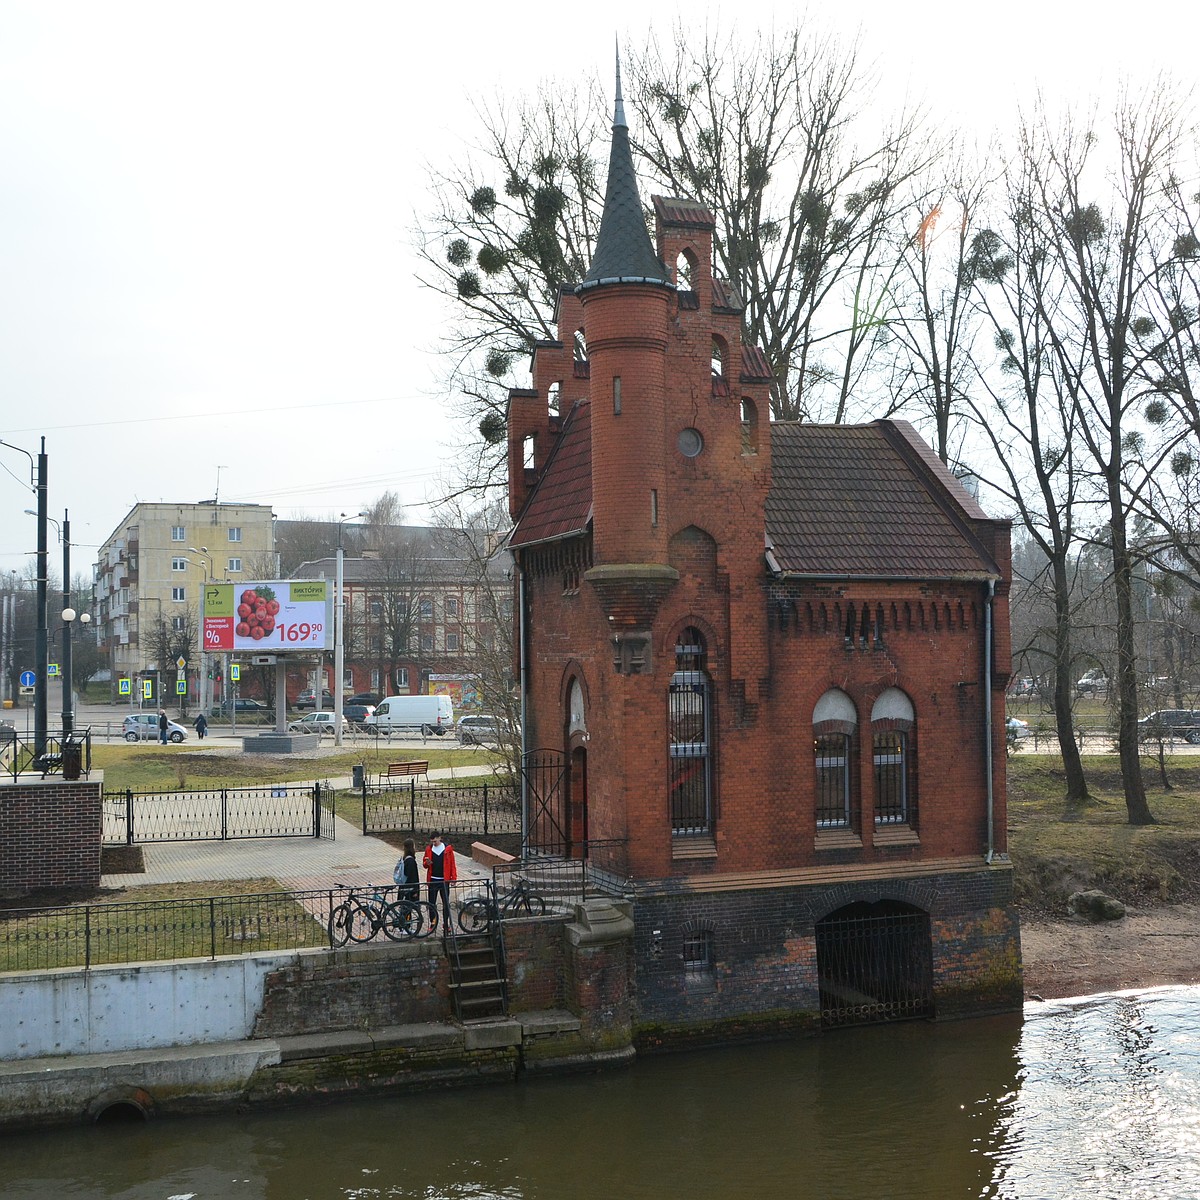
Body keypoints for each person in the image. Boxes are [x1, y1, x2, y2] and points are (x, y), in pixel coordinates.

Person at [422, 832, 457, 928]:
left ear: (439, 838)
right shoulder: (429, 849)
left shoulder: (447, 849)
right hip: (433, 880)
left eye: (435, 841)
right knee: (431, 903)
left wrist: (453, 878)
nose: (434, 843)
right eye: (432, 841)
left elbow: (452, 864)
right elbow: (424, 864)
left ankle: (446, 924)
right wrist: (427, 863)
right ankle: (433, 923)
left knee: (446, 903)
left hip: (444, 881)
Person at [393, 838, 419, 902]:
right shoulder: (411, 861)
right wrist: (415, 891)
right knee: (408, 908)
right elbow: (412, 877)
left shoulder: (404, 858)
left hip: (403, 887)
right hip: (409, 890)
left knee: (403, 908)